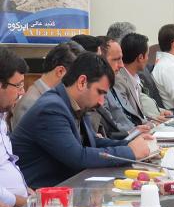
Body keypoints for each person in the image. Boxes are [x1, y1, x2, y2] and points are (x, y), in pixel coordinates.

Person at [12, 53, 153, 188]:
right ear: (82, 82)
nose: (101, 102)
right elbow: (78, 157)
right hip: (40, 194)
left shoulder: (74, 103)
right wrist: (129, 152)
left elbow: (92, 142)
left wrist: (130, 144)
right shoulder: (51, 108)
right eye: (99, 92)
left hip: (67, 186)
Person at [11, 41, 84, 130]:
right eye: (77, 77)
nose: (79, 84)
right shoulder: (31, 104)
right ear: (60, 71)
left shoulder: (55, 99)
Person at [0, 47, 30, 207]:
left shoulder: (3, 117)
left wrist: (26, 191)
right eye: (18, 86)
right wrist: (28, 203)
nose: (22, 92)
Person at [115, 32, 169, 120]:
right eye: (147, 55)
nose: (148, 59)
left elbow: (140, 108)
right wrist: (153, 122)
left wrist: (159, 112)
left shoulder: (134, 77)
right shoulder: (119, 82)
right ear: (140, 58)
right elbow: (129, 117)